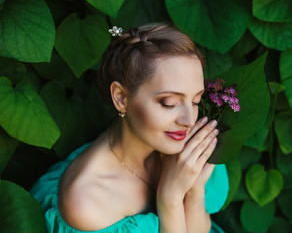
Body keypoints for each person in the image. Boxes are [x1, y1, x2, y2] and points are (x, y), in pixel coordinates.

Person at [30, 23, 229, 233]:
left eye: (196, 101)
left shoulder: (180, 144)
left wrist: (194, 190)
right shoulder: (88, 204)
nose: (189, 120)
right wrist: (170, 198)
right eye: (168, 103)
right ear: (121, 98)